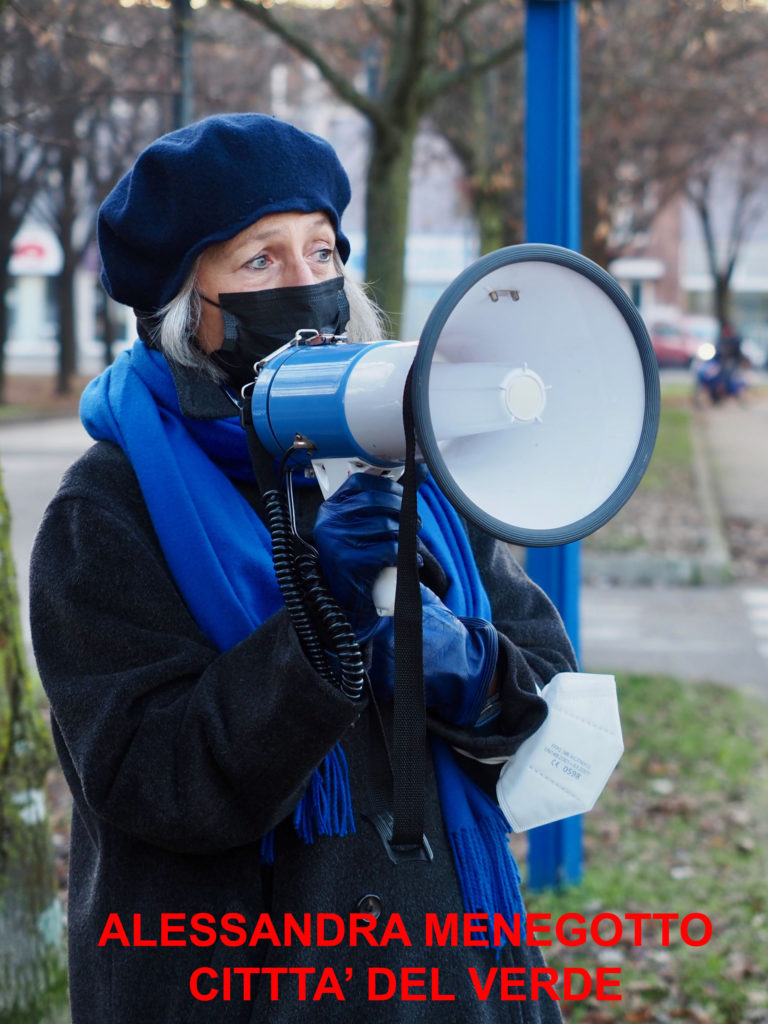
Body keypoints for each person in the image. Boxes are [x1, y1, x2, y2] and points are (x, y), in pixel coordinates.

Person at [30, 113, 578, 1024]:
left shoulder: (407, 454)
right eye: (259, 261)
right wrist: (318, 622)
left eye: (322, 253)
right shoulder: (109, 510)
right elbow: (153, 778)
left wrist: (464, 666)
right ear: (181, 303)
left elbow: (547, 690)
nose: (306, 286)